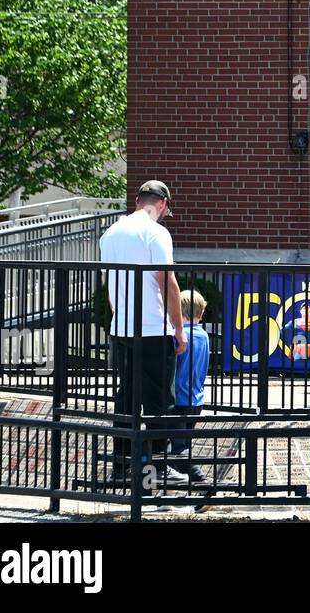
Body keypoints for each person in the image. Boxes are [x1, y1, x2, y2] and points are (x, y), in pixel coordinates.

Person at [100, 180, 188, 485]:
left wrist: (120, 317)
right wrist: (179, 329)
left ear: (139, 200)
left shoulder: (111, 233)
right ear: (161, 204)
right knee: (159, 401)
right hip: (153, 330)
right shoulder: (156, 232)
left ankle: (121, 468)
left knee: (126, 399)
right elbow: (168, 282)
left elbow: (109, 286)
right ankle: (156, 472)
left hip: (122, 329)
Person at [168, 289, 211, 484]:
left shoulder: (179, 337)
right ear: (201, 314)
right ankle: (171, 494)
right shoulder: (204, 336)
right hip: (196, 400)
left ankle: (201, 482)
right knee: (181, 444)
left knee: (177, 448)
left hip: (179, 399)